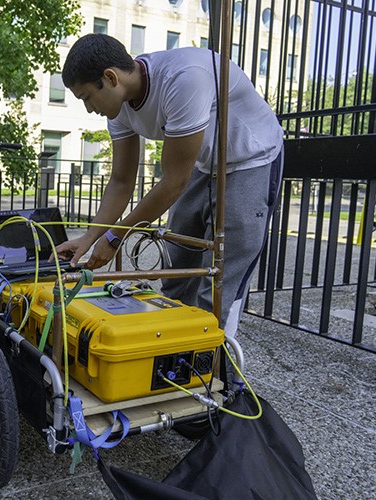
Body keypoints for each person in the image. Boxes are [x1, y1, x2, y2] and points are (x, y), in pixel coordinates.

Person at [55, 34, 284, 338]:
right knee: (179, 270)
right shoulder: (119, 106)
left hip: (252, 158)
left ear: (110, 78)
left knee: (218, 285)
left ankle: (215, 373)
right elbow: (121, 181)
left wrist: (114, 236)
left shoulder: (183, 78)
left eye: (86, 97)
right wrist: (90, 237)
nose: (87, 108)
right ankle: (169, 359)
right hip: (205, 163)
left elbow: (174, 182)